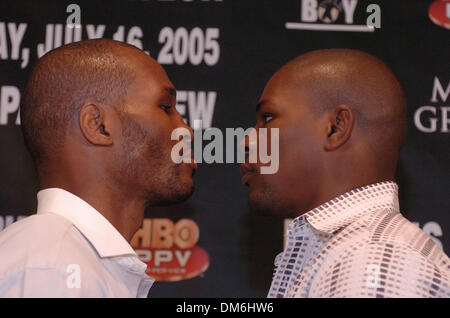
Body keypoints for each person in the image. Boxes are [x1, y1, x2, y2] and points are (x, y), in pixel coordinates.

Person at [240, 49, 450, 298]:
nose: (247, 141)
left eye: (267, 118)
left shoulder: (374, 262)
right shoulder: (349, 252)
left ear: (335, 128)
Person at [0, 39, 196, 297]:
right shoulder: (53, 268)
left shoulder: (71, 261)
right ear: (98, 125)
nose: (186, 130)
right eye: (166, 107)